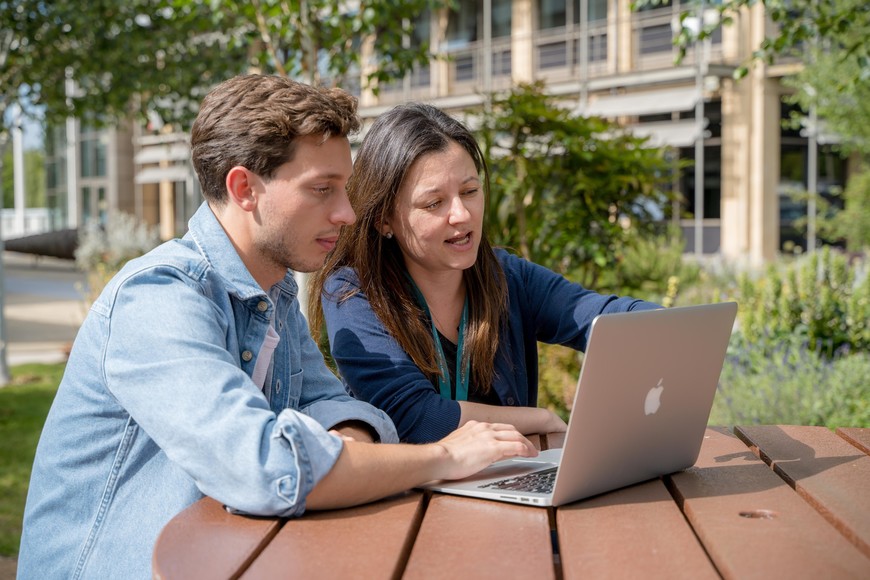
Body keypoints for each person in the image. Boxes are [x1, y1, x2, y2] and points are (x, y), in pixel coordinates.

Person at [18, 76, 537, 580]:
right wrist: (443, 456)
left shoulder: (276, 296)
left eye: (346, 189)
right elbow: (266, 469)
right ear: (244, 188)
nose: (348, 213)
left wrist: (338, 442)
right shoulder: (158, 299)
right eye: (322, 190)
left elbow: (337, 408)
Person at [311, 103, 660, 444]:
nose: (461, 214)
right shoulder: (353, 293)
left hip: (508, 491)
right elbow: (414, 416)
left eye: (470, 191)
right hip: (412, 500)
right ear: (384, 219)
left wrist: (673, 327)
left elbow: (604, 319)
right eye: (434, 203)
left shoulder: (507, 275)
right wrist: (537, 419)